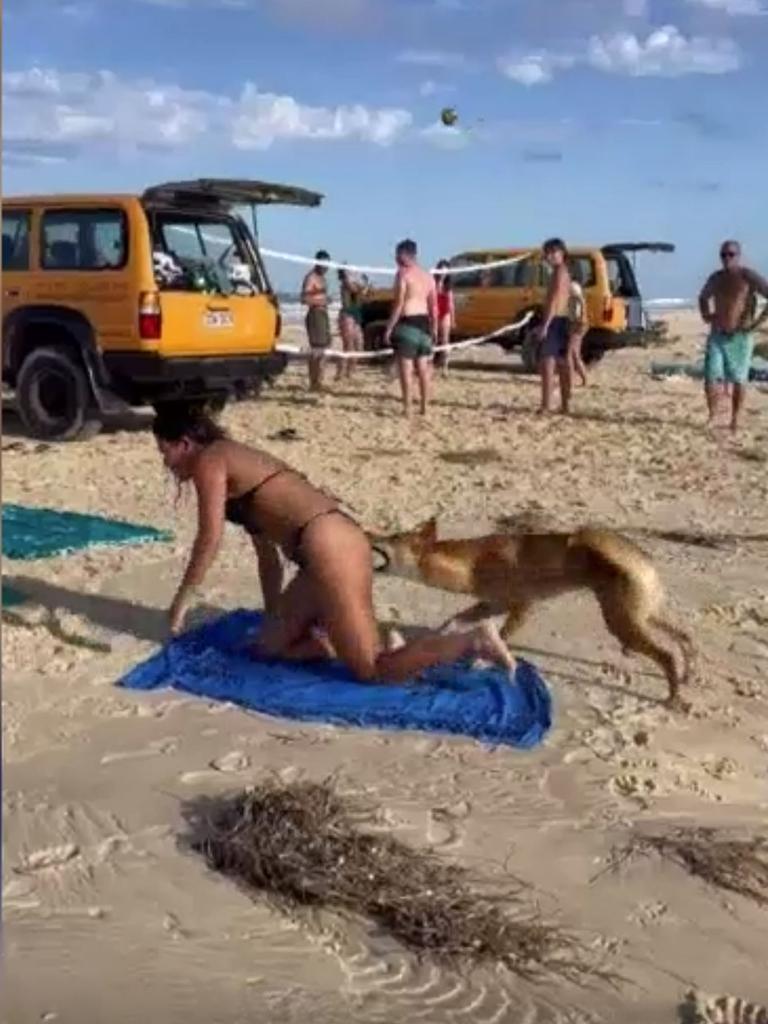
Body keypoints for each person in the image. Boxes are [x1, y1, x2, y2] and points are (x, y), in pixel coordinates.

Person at [154, 405, 512, 679]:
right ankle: (338, 640)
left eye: (164, 452)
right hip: (319, 551)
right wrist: (275, 612)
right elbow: (268, 558)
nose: (166, 463)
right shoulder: (235, 464)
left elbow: (209, 537)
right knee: (267, 648)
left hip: (332, 545)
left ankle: (470, 641)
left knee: (373, 671)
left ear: (184, 444)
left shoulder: (210, 460)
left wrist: (182, 600)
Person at [698, 240, 768, 432]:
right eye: (723, 255)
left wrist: (756, 323)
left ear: (738, 255)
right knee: (711, 377)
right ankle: (712, 416)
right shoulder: (716, 278)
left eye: (731, 254)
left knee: (738, 379)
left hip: (741, 337)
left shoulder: (748, 276)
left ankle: (734, 419)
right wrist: (706, 314)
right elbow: (703, 297)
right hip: (718, 334)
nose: (727, 258)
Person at [383, 239, 438, 417]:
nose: (396, 258)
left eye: (398, 254)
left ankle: (407, 407)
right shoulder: (428, 277)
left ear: (406, 255)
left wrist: (389, 328)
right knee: (423, 369)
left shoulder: (403, 274)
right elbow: (434, 307)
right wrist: (434, 329)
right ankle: (425, 407)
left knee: (406, 369)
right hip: (425, 325)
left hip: (408, 322)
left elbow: (399, 304)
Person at [535, 238, 573, 415]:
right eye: (547, 253)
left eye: (552, 252)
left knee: (548, 365)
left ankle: (546, 405)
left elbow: (554, 300)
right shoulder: (563, 272)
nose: (549, 256)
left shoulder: (560, 272)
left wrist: (545, 325)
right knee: (563, 364)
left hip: (556, 320)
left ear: (561, 253)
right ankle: (565, 404)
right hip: (563, 319)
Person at [301, 250, 332, 392]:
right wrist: (321, 300)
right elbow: (304, 299)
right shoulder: (311, 277)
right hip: (315, 315)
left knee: (326, 347)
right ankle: (314, 382)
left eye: (328, 264)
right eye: (324, 263)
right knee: (316, 350)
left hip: (323, 314)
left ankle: (319, 380)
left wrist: (325, 300)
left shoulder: (322, 278)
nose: (326, 267)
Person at [336, 266, 366, 382]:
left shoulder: (354, 282)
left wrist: (363, 286)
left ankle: (350, 371)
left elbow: (361, 295)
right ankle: (341, 373)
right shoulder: (346, 282)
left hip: (356, 314)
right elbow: (355, 289)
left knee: (358, 345)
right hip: (347, 314)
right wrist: (363, 284)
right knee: (348, 346)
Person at [567, 273, 589, 391]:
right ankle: (583, 378)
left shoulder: (576, 300)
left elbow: (576, 316)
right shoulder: (578, 299)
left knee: (571, 354)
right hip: (579, 326)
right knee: (575, 354)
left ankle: (572, 381)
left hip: (577, 327)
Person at [433, 260, 456, 375]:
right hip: (434, 312)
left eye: (446, 270)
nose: (443, 272)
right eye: (441, 269)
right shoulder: (433, 282)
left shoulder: (448, 286)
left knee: (445, 340)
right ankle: (430, 364)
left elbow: (451, 304)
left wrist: (453, 319)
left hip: (445, 313)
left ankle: (445, 367)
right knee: (433, 338)